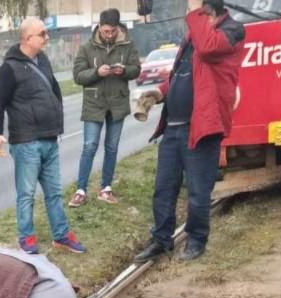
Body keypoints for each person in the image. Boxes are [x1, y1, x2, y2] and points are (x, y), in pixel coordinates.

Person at [134, 0, 245, 263]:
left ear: (209, 12)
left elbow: (208, 49)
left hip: (202, 128)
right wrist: (159, 93)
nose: (189, 16)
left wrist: (195, 8)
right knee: (163, 189)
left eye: (194, 11)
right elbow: (183, 74)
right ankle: (161, 240)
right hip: (173, 129)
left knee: (198, 191)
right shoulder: (193, 36)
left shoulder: (233, 30)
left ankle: (196, 240)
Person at [0, 18, 87, 255]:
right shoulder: (8, 69)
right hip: (26, 142)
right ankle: (27, 239)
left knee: (54, 193)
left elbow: (53, 89)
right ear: (27, 38)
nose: (47, 37)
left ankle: (61, 235)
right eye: (42, 33)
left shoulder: (43, 60)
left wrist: (57, 117)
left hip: (49, 139)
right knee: (27, 195)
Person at [69, 8, 140, 207]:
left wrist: (124, 70)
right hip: (94, 104)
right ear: (99, 27)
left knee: (112, 147)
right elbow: (78, 76)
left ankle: (105, 189)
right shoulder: (86, 48)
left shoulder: (127, 45)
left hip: (117, 103)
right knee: (89, 146)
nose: (109, 35)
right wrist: (97, 72)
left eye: (112, 32)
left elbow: (136, 70)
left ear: (118, 28)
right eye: (105, 31)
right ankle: (80, 190)